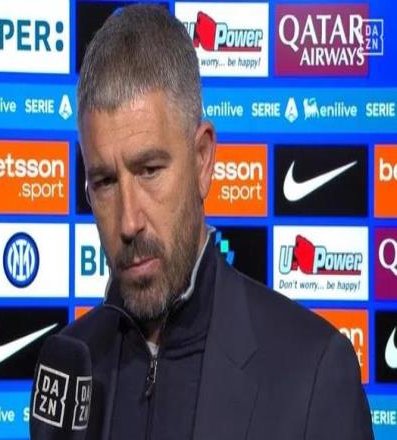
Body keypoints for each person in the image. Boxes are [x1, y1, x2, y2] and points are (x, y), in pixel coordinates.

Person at [63, 5, 373, 439]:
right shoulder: (68, 369)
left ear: (203, 159)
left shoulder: (314, 374)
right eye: (105, 181)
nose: (129, 222)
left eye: (150, 170)